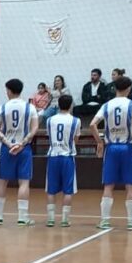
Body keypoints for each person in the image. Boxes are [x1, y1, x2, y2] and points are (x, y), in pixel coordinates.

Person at [89, 76, 132, 230]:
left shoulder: (107, 105)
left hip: (111, 148)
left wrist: (99, 142)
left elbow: (92, 124)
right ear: (129, 89)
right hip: (128, 147)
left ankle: (105, 220)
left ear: (115, 88)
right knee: (130, 186)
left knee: (108, 185)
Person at [0, 79, 38, 226]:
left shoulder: (3, 107)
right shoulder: (30, 107)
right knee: (24, 182)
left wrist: (8, 143)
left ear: (9, 91)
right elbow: (34, 128)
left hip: (7, 148)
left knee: (2, 181)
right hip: (24, 148)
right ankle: (22, 217)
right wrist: (22, 143)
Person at [45, 95, 78, 228]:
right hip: (67, 157)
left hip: (53, 156)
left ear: (58, 105)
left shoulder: (49, 120)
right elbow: (76, 139)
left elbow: (50, 136)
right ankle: (65, 219)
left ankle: (51, 219)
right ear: (71, 105)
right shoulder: (75, 120)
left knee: (51, 190)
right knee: (68, 190)